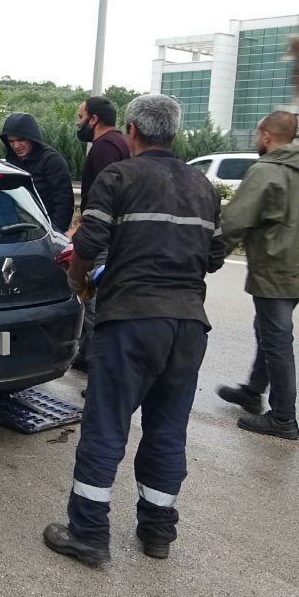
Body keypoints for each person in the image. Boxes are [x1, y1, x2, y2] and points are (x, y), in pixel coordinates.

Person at [43, 94, 226, 566]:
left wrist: (77, 280)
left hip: (132, 320)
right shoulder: (202, 185)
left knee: (106, 425)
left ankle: (88, 533)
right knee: (167, 429)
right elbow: (214, 255)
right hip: (188, 324)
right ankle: (158, 533)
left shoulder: (118, 177)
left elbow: (89, 241)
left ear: (131, 130)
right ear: (174, 132)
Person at [215, 111, 299, 439]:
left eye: (258, 135)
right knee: (268, 328)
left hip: (277, 268)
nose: (258, 140)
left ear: (266, 136)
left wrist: (210, 256)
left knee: (276, 337)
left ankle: (284, 417)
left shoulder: (265, 171)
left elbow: (235, 221)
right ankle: (253, 390)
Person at [69, 96, 132, 373]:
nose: (77, 122)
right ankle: (87, 353)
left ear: (94, 119)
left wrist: (81, 228)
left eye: (80, 116)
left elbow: (103, 197)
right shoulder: (119, 142)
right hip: (116, 232)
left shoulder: (104, 148)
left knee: (93, 298)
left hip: (103, 234)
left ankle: (97, 362)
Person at [0, 112, 74, 232]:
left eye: (20, 140)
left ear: (31, 138)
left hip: (46, 231)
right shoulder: (11, 162)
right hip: (16, 230)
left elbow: (63, 202)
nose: (16, 146)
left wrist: (55, 233)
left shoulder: (52, 161)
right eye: (11, 141)